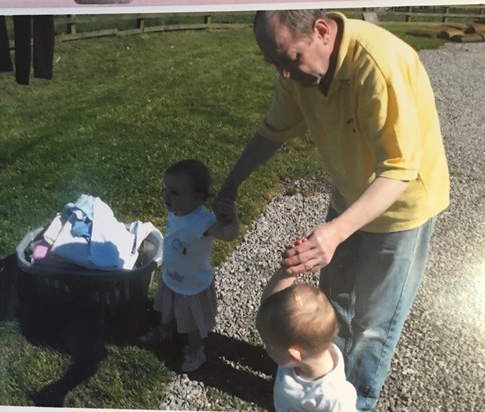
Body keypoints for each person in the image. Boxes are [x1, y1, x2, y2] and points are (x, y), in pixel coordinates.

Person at [214, 9, 450, 411]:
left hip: (401, 209)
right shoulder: (299, 72)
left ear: (322, 31)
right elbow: (272, 131)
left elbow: (399, 170)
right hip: (349, 196)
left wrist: (335, 233)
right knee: (333, 302)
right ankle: (317, 374)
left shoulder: (377, 65)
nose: (285, 74)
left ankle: (355, 400)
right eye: (275, 64)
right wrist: (231, 184)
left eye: (290, 59)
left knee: (374, 323)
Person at [139, 159, 239, 372]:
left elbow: (228, 235)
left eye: (174, 192)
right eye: (165, 189)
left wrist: (230, 218)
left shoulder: (202, 222)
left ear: (198, 198)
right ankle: (165, 329)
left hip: (191, 285)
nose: (166, 196)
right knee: (168, 308)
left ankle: (196, 349)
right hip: (171, 276)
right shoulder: (176, 211)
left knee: (191, 323)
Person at [256, 260, 357, 411]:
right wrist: (288, 271)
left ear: (294, 354)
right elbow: (268, 305)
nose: (265, 348)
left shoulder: (332, 397)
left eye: (268, 345)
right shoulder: (301, 350)